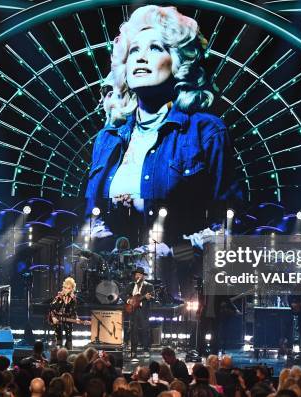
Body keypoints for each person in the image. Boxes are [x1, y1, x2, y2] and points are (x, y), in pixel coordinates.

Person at [85, 5, 240, 300]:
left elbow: (230, 223)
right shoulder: (108, 138)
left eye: (155, 48)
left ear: (179, 62)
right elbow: (90, 215)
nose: (141, 57)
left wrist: (176, 251)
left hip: (181, 283)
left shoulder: (206, 132)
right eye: (133, 51)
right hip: (115, 282)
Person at [125, 268, 154, 358]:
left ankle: (146, 349)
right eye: (136, 274)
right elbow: (122, 294)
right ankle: (133, 351)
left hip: (143, 310)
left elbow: (152, 296)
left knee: (145, 330)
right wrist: (128, 300)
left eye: (140, 275)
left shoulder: (148, 286)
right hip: (133, 310)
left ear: (143, 276)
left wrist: (149, 297)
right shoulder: (130, 285)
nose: (138, 276)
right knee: (134, 331)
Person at [50, 277, 80, 350]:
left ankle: (69, 349)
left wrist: (76, 317)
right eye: (65, 287)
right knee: (58, 333)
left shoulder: (73, 299)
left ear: (72, 289)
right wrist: (53, 317)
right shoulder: (58, 297)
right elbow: (52, 307)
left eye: (69, 288)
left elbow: (73, 310)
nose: (66, 289)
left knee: (68, 333)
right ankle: (58, 348)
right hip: (57, 317)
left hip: (68, 318)